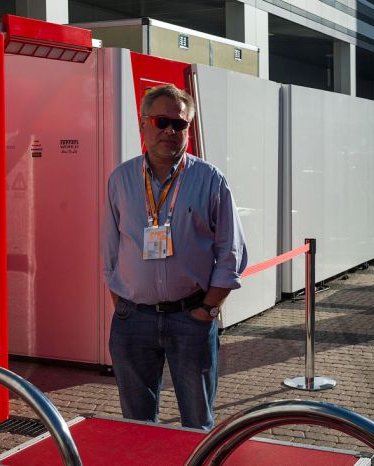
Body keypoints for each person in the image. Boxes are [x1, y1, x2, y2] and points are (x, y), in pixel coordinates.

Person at [102, 84, 248, 430]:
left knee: (197, 422)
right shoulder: (121, 179)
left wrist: (209, 309)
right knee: (136, 424)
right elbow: (110, 250)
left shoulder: (209, 179)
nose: (169, 131)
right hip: (132, 320)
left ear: (188, 130)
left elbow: (231, 251)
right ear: (143, 124)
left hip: (191, 318)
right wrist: (122, 303)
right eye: (161, 121)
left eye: (179, 124)